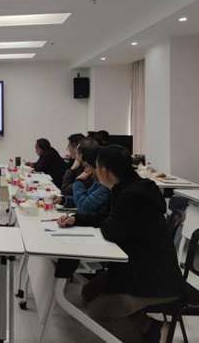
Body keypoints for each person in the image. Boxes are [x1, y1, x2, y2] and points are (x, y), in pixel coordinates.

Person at [58, 145, 183, 343]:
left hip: (154, 278)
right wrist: (77, 218)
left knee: (100, 311)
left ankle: (149, 338)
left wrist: (105, 221)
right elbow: (106, 217)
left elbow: (111, 230)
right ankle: (153, 328)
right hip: (139, 265)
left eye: (95, 167)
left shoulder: (134, 195)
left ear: (104, 171)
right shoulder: (126, 187)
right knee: (90, 291)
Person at [55, 147, 111, 213]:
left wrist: (78, 181)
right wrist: (63, 200)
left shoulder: (105, 187)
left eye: (87, 166)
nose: (85, 170)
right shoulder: (97, 182)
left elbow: (83, 206)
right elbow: (83, 198)